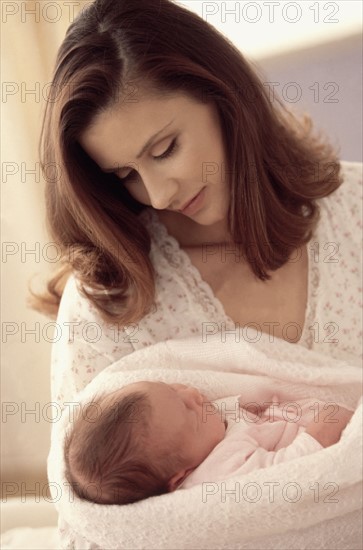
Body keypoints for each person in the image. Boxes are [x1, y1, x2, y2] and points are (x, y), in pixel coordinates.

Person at [31, 0, 362, 546]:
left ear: (224, 97)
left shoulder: (355, 213)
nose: (159, 193)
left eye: (165, 149)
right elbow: (95, 527)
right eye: (126, 175)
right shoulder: (111, 298)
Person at [63, 380, 353, 505]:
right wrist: (325, 425)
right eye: (189, 411)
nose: (193, 393)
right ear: (181, 476)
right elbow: (288, 471)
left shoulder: (204, 441)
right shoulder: (217, 472)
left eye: (173, 389)